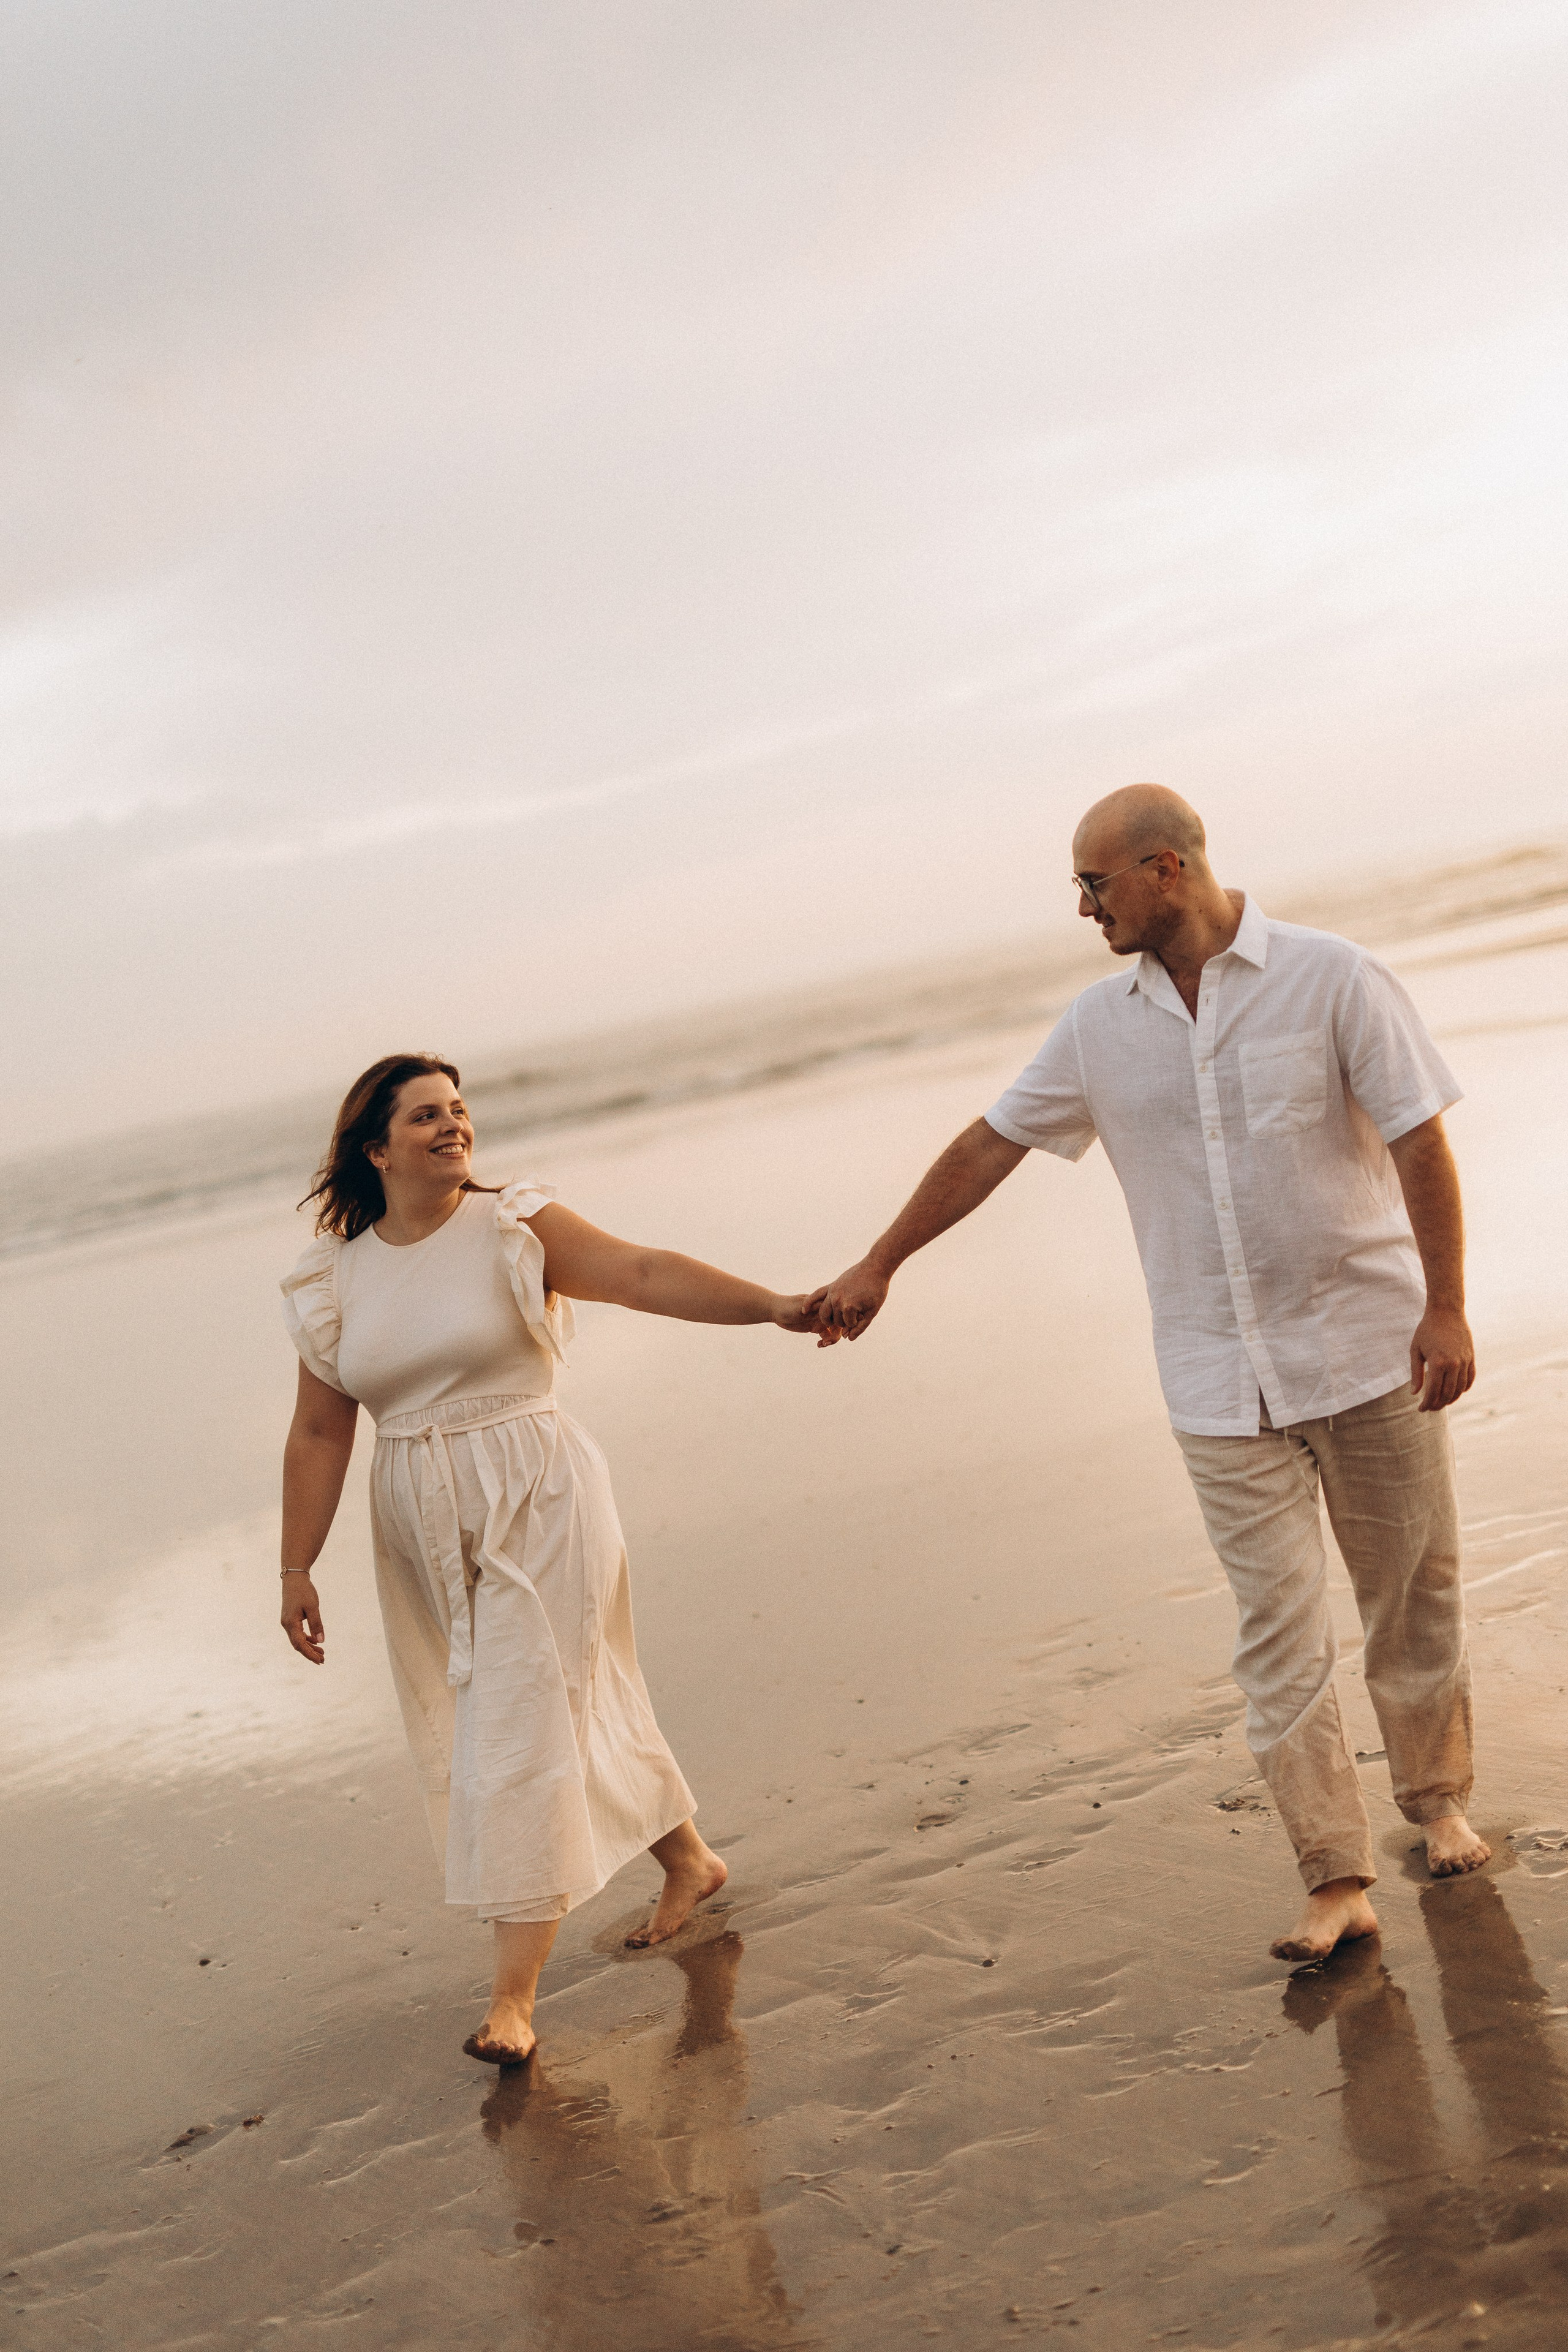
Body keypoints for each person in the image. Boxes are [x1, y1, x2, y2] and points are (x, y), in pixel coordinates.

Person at [815, 783, 1486, 1964]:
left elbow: (1421, 1134)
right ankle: (1334, 1876)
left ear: (1164, 869)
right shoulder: (1096, 1027)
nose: (1082, 907)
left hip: (1369, 1350)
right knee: (1274, 1632)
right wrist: (882, 1260)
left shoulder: (1335, 979)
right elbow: (989, 1144)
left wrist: (1446, 1305)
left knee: (1407, 1597)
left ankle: (1438, 1806)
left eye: (1094, 883)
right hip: (1216, 1382)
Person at [279, 1052, 818, 2067]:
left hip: (541, 1496)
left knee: (519, 1718)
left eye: (460, 1110)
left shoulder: (513, 1227)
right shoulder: (333, 1277)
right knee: (567, 1697)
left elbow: (641, 1273)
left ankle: (513, 2002)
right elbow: (318, 1432)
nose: (454, 1127)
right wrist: (293, 1568)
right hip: (423, 1522)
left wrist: (776, 1307)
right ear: (375, 1146)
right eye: (427, 1116)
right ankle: (692, 1861)